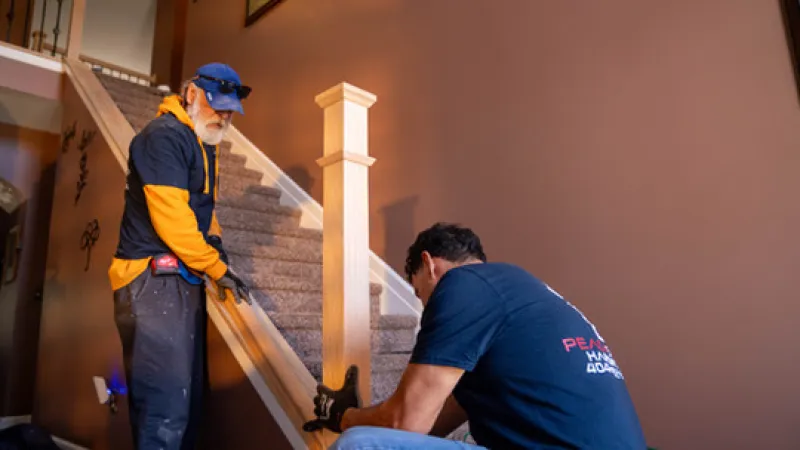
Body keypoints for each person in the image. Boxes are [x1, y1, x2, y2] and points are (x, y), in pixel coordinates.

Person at [303, 222, 647, 449]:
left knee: (360, 445)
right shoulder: (519, 292)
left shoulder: (462, 285)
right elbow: (432, 423)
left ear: (430, 264)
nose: (424, 305)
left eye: (419, 292)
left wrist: (345, 417)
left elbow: (405, 422)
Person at [108, 62, 254, 450]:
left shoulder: (200, 142)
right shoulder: (164, 137)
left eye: (229, 110)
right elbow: (173, 220)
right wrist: (217, 266)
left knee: (185, 408)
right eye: (217, 105)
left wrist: (215, 245)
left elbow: (202, 210)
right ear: (191, 93)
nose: (223, 116)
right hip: (150, 279)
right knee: (165, 410)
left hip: (179, 280)